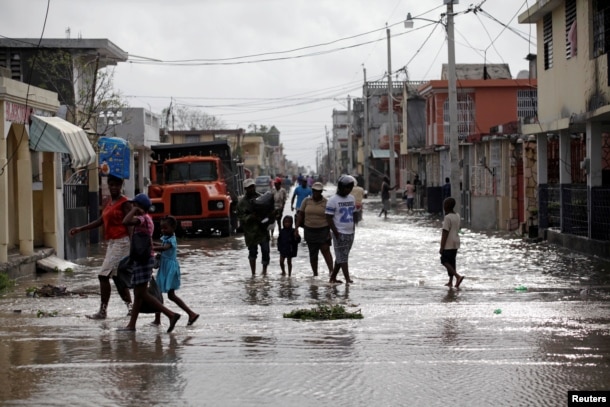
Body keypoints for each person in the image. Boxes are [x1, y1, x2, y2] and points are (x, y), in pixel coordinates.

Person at [69, 174, 132, 319]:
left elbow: (130, 226)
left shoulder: (125, 203)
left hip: (122, 242)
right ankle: (131, 308)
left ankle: (103, 311)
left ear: (121, 186)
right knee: (117, 278)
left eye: (117, 185)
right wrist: (81, 229)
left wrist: (133, 246)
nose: (114, 187)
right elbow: (100, 221)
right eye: (112, 185)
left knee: (103, 275)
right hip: (112, 243)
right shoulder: (109, 203)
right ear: (108, 185)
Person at [120, 194, 182, 333]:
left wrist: (133, 211)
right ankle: (131, 325)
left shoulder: (142, 219)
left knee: (142, 293)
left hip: (144, 259)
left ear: (140, 207)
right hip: (142, 259)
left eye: (134, 205)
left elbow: (125, 221)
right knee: (138, 293)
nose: (131, 207)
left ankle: (171, 315)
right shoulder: (145, 219)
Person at [152, 215, 199, 327]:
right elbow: (162, 245)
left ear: (173, 228)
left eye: (165, 228)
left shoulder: (171, 239)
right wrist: (152, 244)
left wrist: (151, 248)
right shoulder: (166, 238)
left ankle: (190, 313)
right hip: (165, 267)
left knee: (164, 294)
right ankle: (158, 319)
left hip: (170, 269)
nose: (163, 230)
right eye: (161, 228)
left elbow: (164, 248)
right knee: (164, 295)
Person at [296, 182, 334, 277]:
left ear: (321, 192)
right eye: (314, 191)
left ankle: (332, 272)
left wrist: (330, 231)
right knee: (313, 254)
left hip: (323, 230)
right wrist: (296, 228)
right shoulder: (306, 201)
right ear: (312, 191)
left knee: (325, 250)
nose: (316, 193)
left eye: (318, 191)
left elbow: (330, 217)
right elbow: (300, 215)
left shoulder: (326, 202)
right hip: (309, 230)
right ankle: (315, 274)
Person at [326, 175, 356, 284]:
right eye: (347, 188)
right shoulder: (333, 200)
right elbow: (328, 218)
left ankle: (332, 278)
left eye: (350, 188)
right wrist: (335, 231)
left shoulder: (351, 198)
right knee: (343, 257)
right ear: (341, 187)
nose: (349, 190)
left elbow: (354, 214)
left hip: (350, 232)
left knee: (342, 256)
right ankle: (347, 279)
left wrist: (353, 228)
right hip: (339, 232)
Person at [237, 178, 271, 275]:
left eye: (252, 187)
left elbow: (268, 212)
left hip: (262, 231)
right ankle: (253, 274)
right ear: (245, 189)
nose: (251, 189)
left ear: (254, 186)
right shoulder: (241, 203)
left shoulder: (261, 198)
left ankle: (264, 271)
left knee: (265, 251)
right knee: (252, 253)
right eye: (248, 188)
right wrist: (251, 216)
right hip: (250, 233)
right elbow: (241, 218)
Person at [439, 197, 464, 289]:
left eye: (444, 205)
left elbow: (445, 232)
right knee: (452, 262)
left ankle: (458, 276)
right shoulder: (457, 215)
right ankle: (451, 281)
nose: (444, 207)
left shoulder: (447, 217)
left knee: (444, 260)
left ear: (447, 206)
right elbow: (459, 228)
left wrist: (442, 247)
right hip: (456, 241)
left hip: (449, 243)